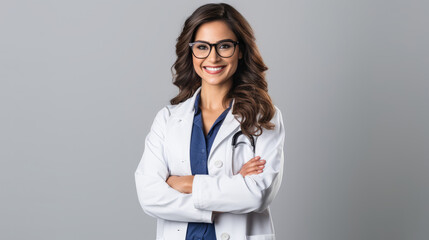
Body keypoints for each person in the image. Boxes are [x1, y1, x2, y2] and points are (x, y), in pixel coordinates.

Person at [135, 3, 285, 240]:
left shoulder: (263, 116)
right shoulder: (167, 119)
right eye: (202, 47)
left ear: (241, 50)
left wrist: (185, 183)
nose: (212, 57)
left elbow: (258, 194)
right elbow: (150, 197)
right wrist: (230, 189)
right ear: (191, 51)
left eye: (224, 46)